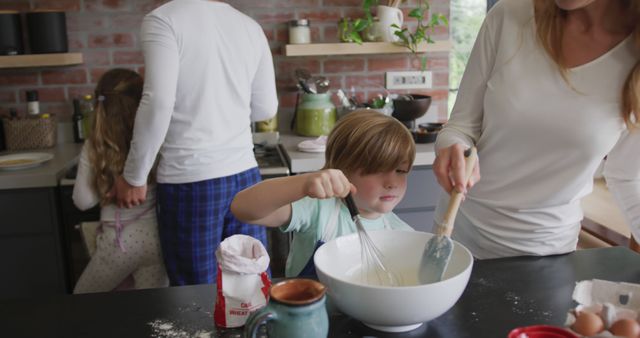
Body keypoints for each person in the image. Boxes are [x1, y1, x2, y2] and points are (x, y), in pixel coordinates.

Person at [433, 0, 640, 259]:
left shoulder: (635, 56)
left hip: (547, 255)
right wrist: (453, 148)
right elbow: (461, 127)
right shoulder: (509, 16)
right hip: (457, 238)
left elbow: (627, 176)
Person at [112, 0, 278, 285]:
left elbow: (159, 102)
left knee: (195, 292)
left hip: (191, 181)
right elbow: (265, 109)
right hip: (246, 176)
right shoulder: (250, 26)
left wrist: (134, 176)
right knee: (250, 282)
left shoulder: (164, 20)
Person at [231, 110, 416, 278]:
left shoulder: (402, 235)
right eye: (378, 170)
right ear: (342, 168)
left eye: (401, 171)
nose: (392, 183)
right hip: (312, 313)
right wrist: (303, 184)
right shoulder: (319, 208)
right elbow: (242, 208)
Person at [73, 68, 168, 293]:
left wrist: (103, 184)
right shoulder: (159, 140)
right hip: (159, 239)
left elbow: (82, 201)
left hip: (120, 243)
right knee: (151, 311)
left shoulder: (95, 146)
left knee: (82, 299)